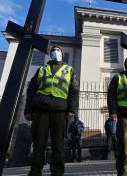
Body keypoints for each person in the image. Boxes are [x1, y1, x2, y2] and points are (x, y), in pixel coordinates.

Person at [24, 45, 79, 176]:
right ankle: (35, 171)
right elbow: (31, 89)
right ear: (50, 54)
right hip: (40, 109)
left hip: (60, 110)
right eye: (53, 50)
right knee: (38, 143)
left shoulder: (69, 70)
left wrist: (71, 109)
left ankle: (57, 172)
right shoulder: (41, 69)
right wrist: (28, 110)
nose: (55, 52)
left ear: (62, 53)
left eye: (58, 50)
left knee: (58, 144)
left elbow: (74, 90)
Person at [107, 57, 127, 176]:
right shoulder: (118, 77)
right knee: (124, 148)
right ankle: (123, 173)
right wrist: (113, 112)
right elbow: (111, 95)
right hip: (124, 116)